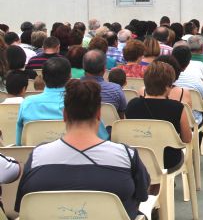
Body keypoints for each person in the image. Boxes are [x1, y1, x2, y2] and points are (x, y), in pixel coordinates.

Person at [15, 79, 150, 219]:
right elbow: (142, 195)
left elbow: (24, 207)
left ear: (65, 115)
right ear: (98, 114)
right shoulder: (126, 156)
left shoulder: (38, 156)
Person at [15, 57, 109, 145]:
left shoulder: (27, 103)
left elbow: (19, 144)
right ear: (70, 76)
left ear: (43, 78)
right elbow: (103, 138)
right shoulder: (82, 101)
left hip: (36, 160)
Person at [125, 62, 192, 170]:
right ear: (167, 87)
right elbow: (187, 139)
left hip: (136, 159)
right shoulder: (177, 108)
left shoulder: (132, 105)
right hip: (168, 161)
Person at [172, 45, 203, 126]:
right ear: (188, 62)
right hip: (193, 120)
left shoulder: (165, 79)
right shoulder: (195, 80)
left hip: (170, 119)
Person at [81, 50, 127, 117]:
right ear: (104, 69)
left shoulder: (72, 88)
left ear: (83, 67)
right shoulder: (116, 89)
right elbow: (121, 116)